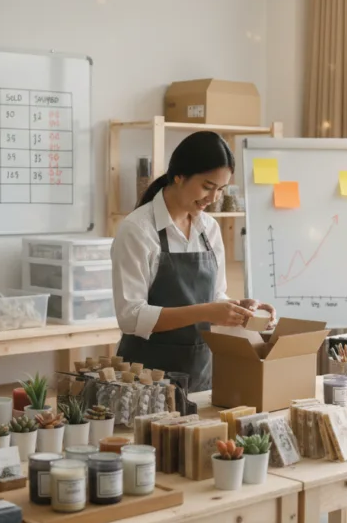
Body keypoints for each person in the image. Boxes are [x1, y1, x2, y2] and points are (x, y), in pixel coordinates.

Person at [111, 131, 276, 393]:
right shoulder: (138, 230)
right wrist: (207, 311)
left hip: (199, 374)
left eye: (221, 190)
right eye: (207, 187)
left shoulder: (209, 228)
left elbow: (215, 295)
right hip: (145, 378)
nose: (213, 198)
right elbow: (131, 317)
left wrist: (237, 308)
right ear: (179, 176)